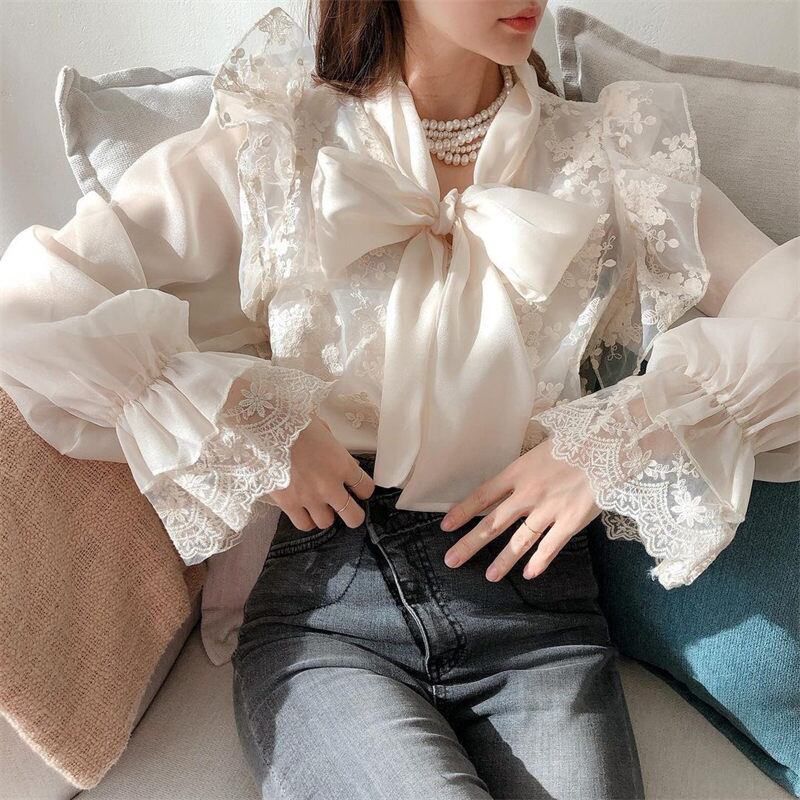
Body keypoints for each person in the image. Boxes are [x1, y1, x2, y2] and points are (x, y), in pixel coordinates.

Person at [0, 1, 797, 798]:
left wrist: (622, 438)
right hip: (330, 616)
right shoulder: (276, 139)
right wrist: (253, 422)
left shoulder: (616, 157)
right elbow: (34, 303)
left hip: (541, 619)